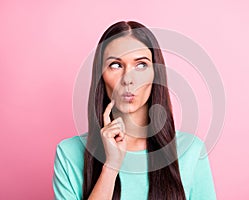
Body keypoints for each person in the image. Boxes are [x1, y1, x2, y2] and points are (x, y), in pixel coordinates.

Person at [53, 21, 216, 200]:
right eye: (115, 65)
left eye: (141, 65)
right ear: (101, 75)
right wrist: (111, 166)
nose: (128, 79)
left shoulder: (190, 151)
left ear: (156, 74)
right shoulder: (69, 153)